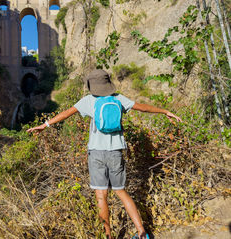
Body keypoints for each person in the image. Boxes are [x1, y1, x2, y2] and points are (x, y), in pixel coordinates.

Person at [27, 69, 182, 239]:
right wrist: (164, 111)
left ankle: (107, 236)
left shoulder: (88, 101)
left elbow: (66, 113)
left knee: (101, 195)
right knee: (121, 191)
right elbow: (142, 108)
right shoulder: (118, 99)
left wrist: (45, 125)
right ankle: (142, 232)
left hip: (96, 153)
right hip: (116, 151)